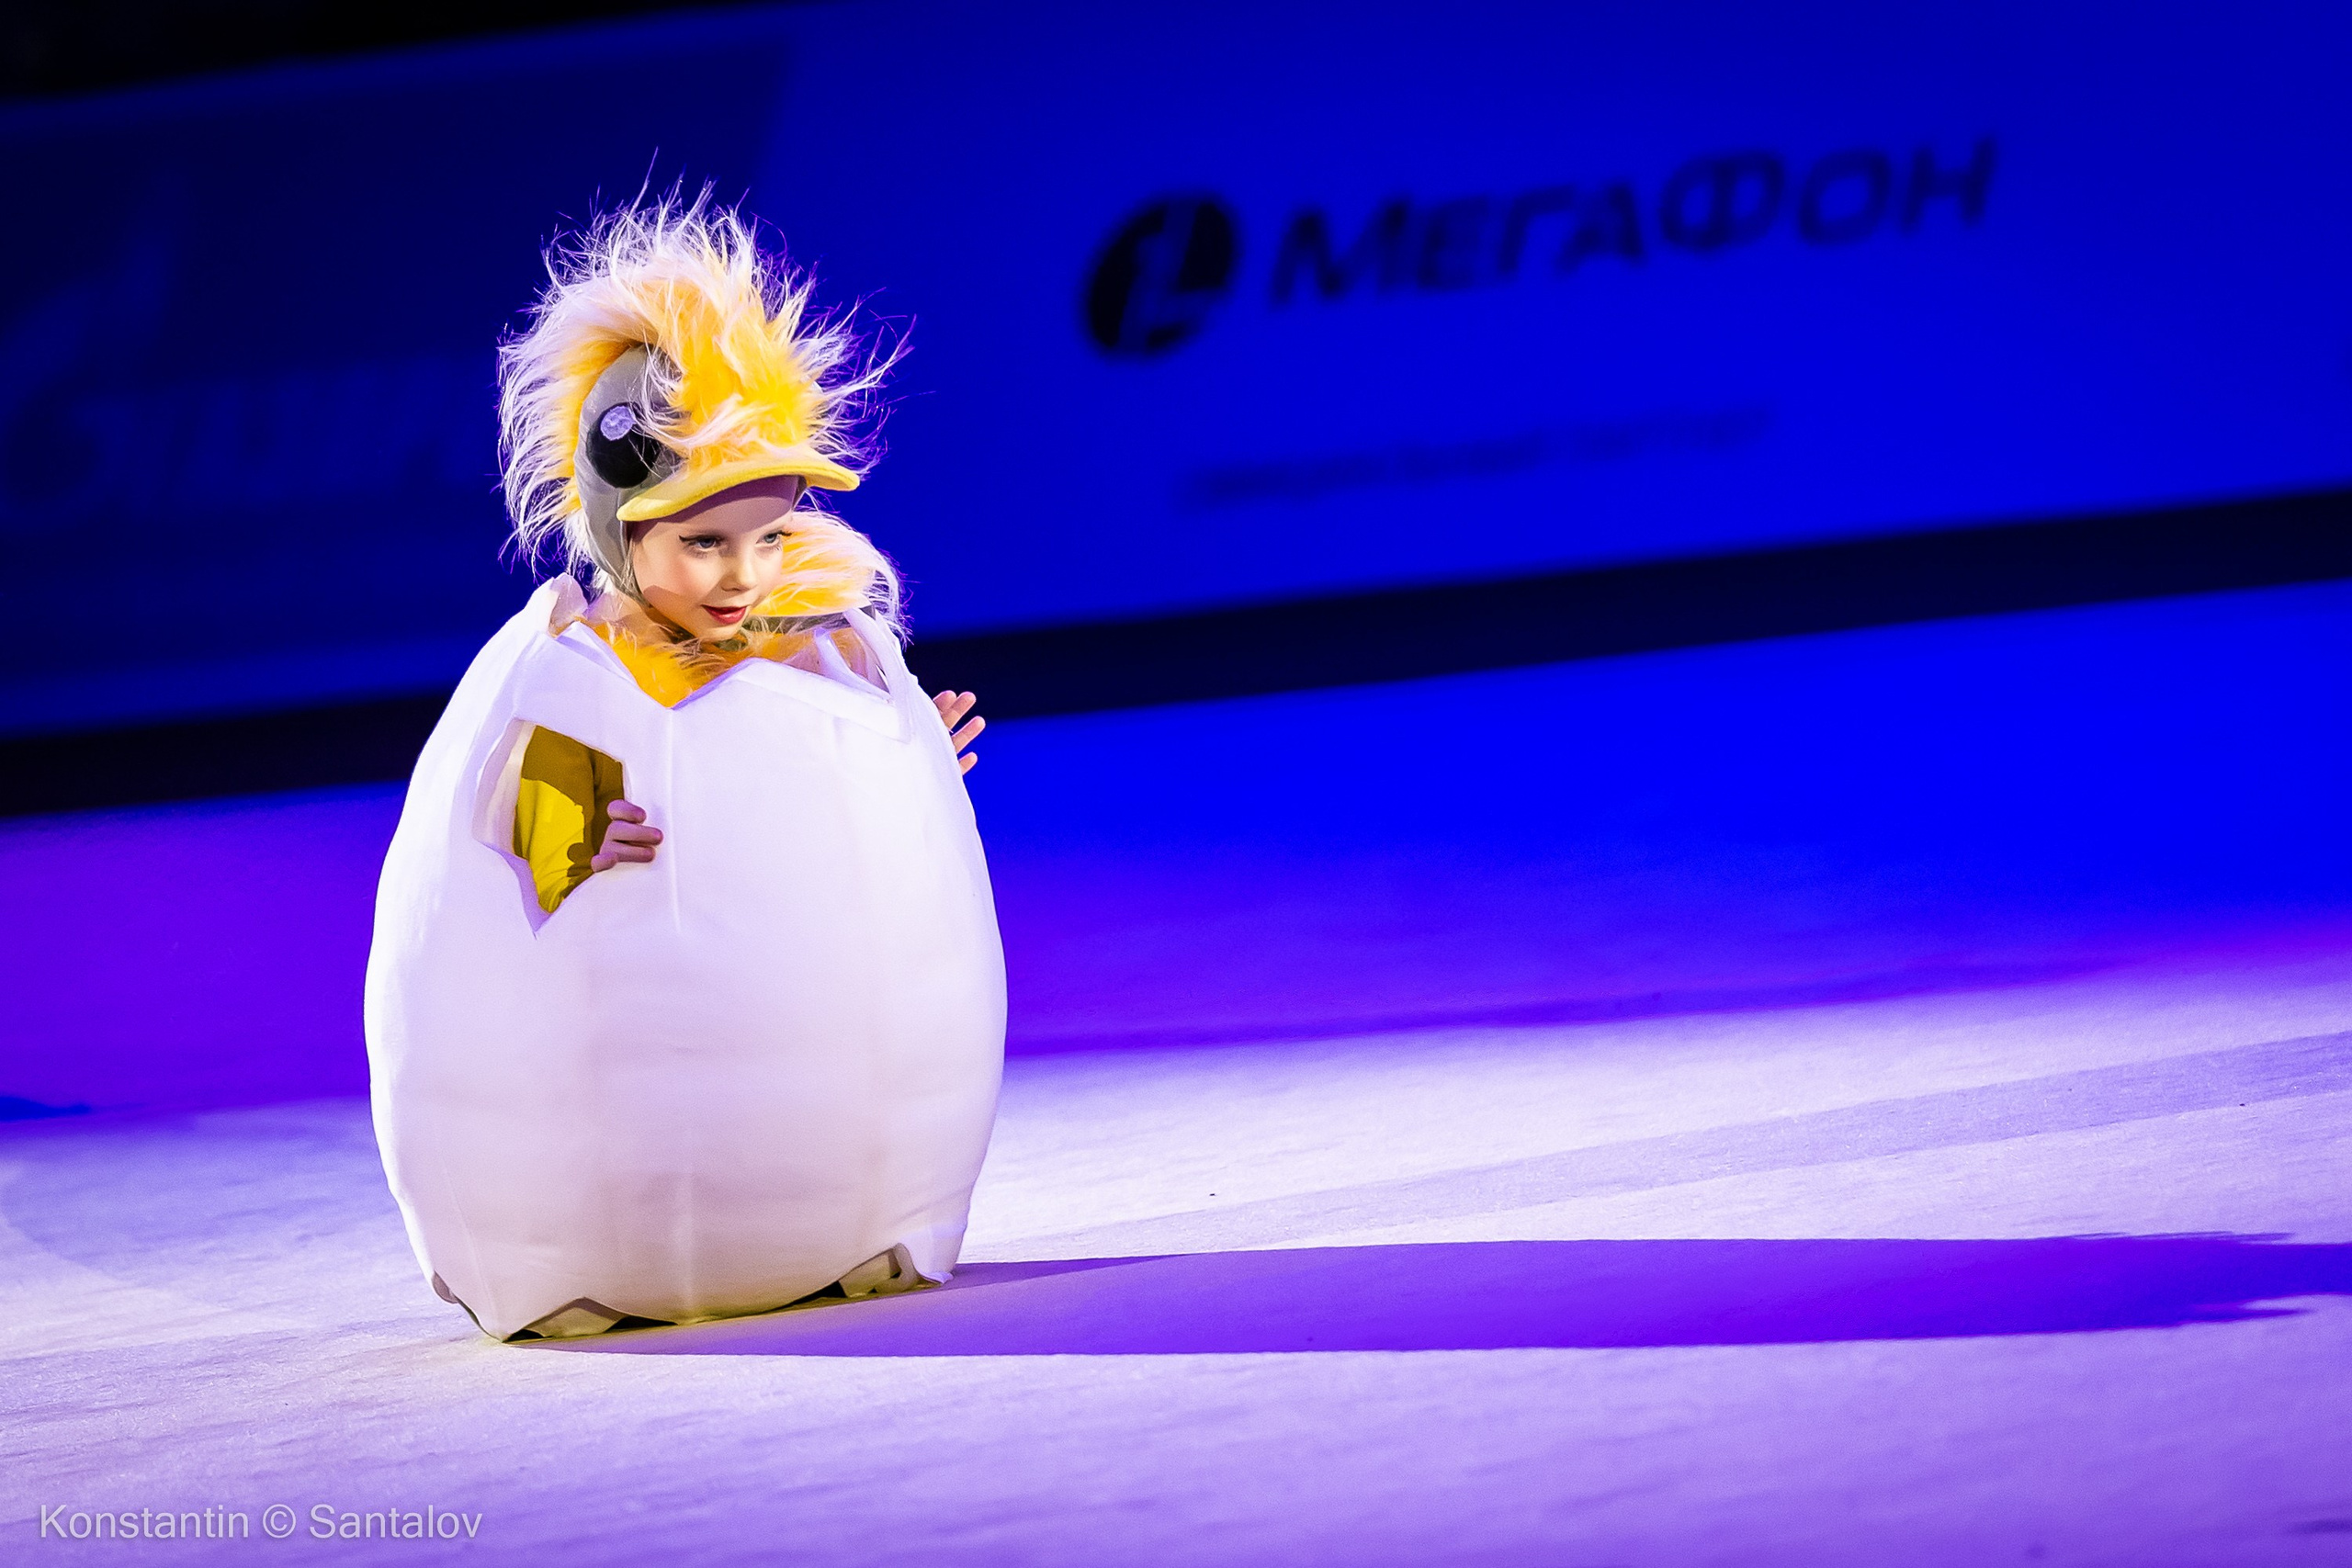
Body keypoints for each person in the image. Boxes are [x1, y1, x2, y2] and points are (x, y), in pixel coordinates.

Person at [364, 193, 1007, 1340]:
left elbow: (827, 833)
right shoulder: (566, 663)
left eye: (766, 537)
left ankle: (872, 1220)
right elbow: (510, 815)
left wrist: (909, 769)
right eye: (702, 541)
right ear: (620, 525)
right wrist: (562, 841)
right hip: (595, 1143)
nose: (741, 574)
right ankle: (551, 1262)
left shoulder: (815, 656)